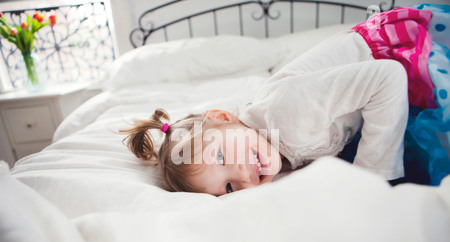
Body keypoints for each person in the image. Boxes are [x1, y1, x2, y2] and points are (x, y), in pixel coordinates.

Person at [120, 5, 449, 195]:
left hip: (398, 58)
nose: (242, 175)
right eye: (230, 188)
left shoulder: (287, 111)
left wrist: (373, 177)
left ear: (223, 117)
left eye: (220, 155)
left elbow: (387, 76)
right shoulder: (268, 148)